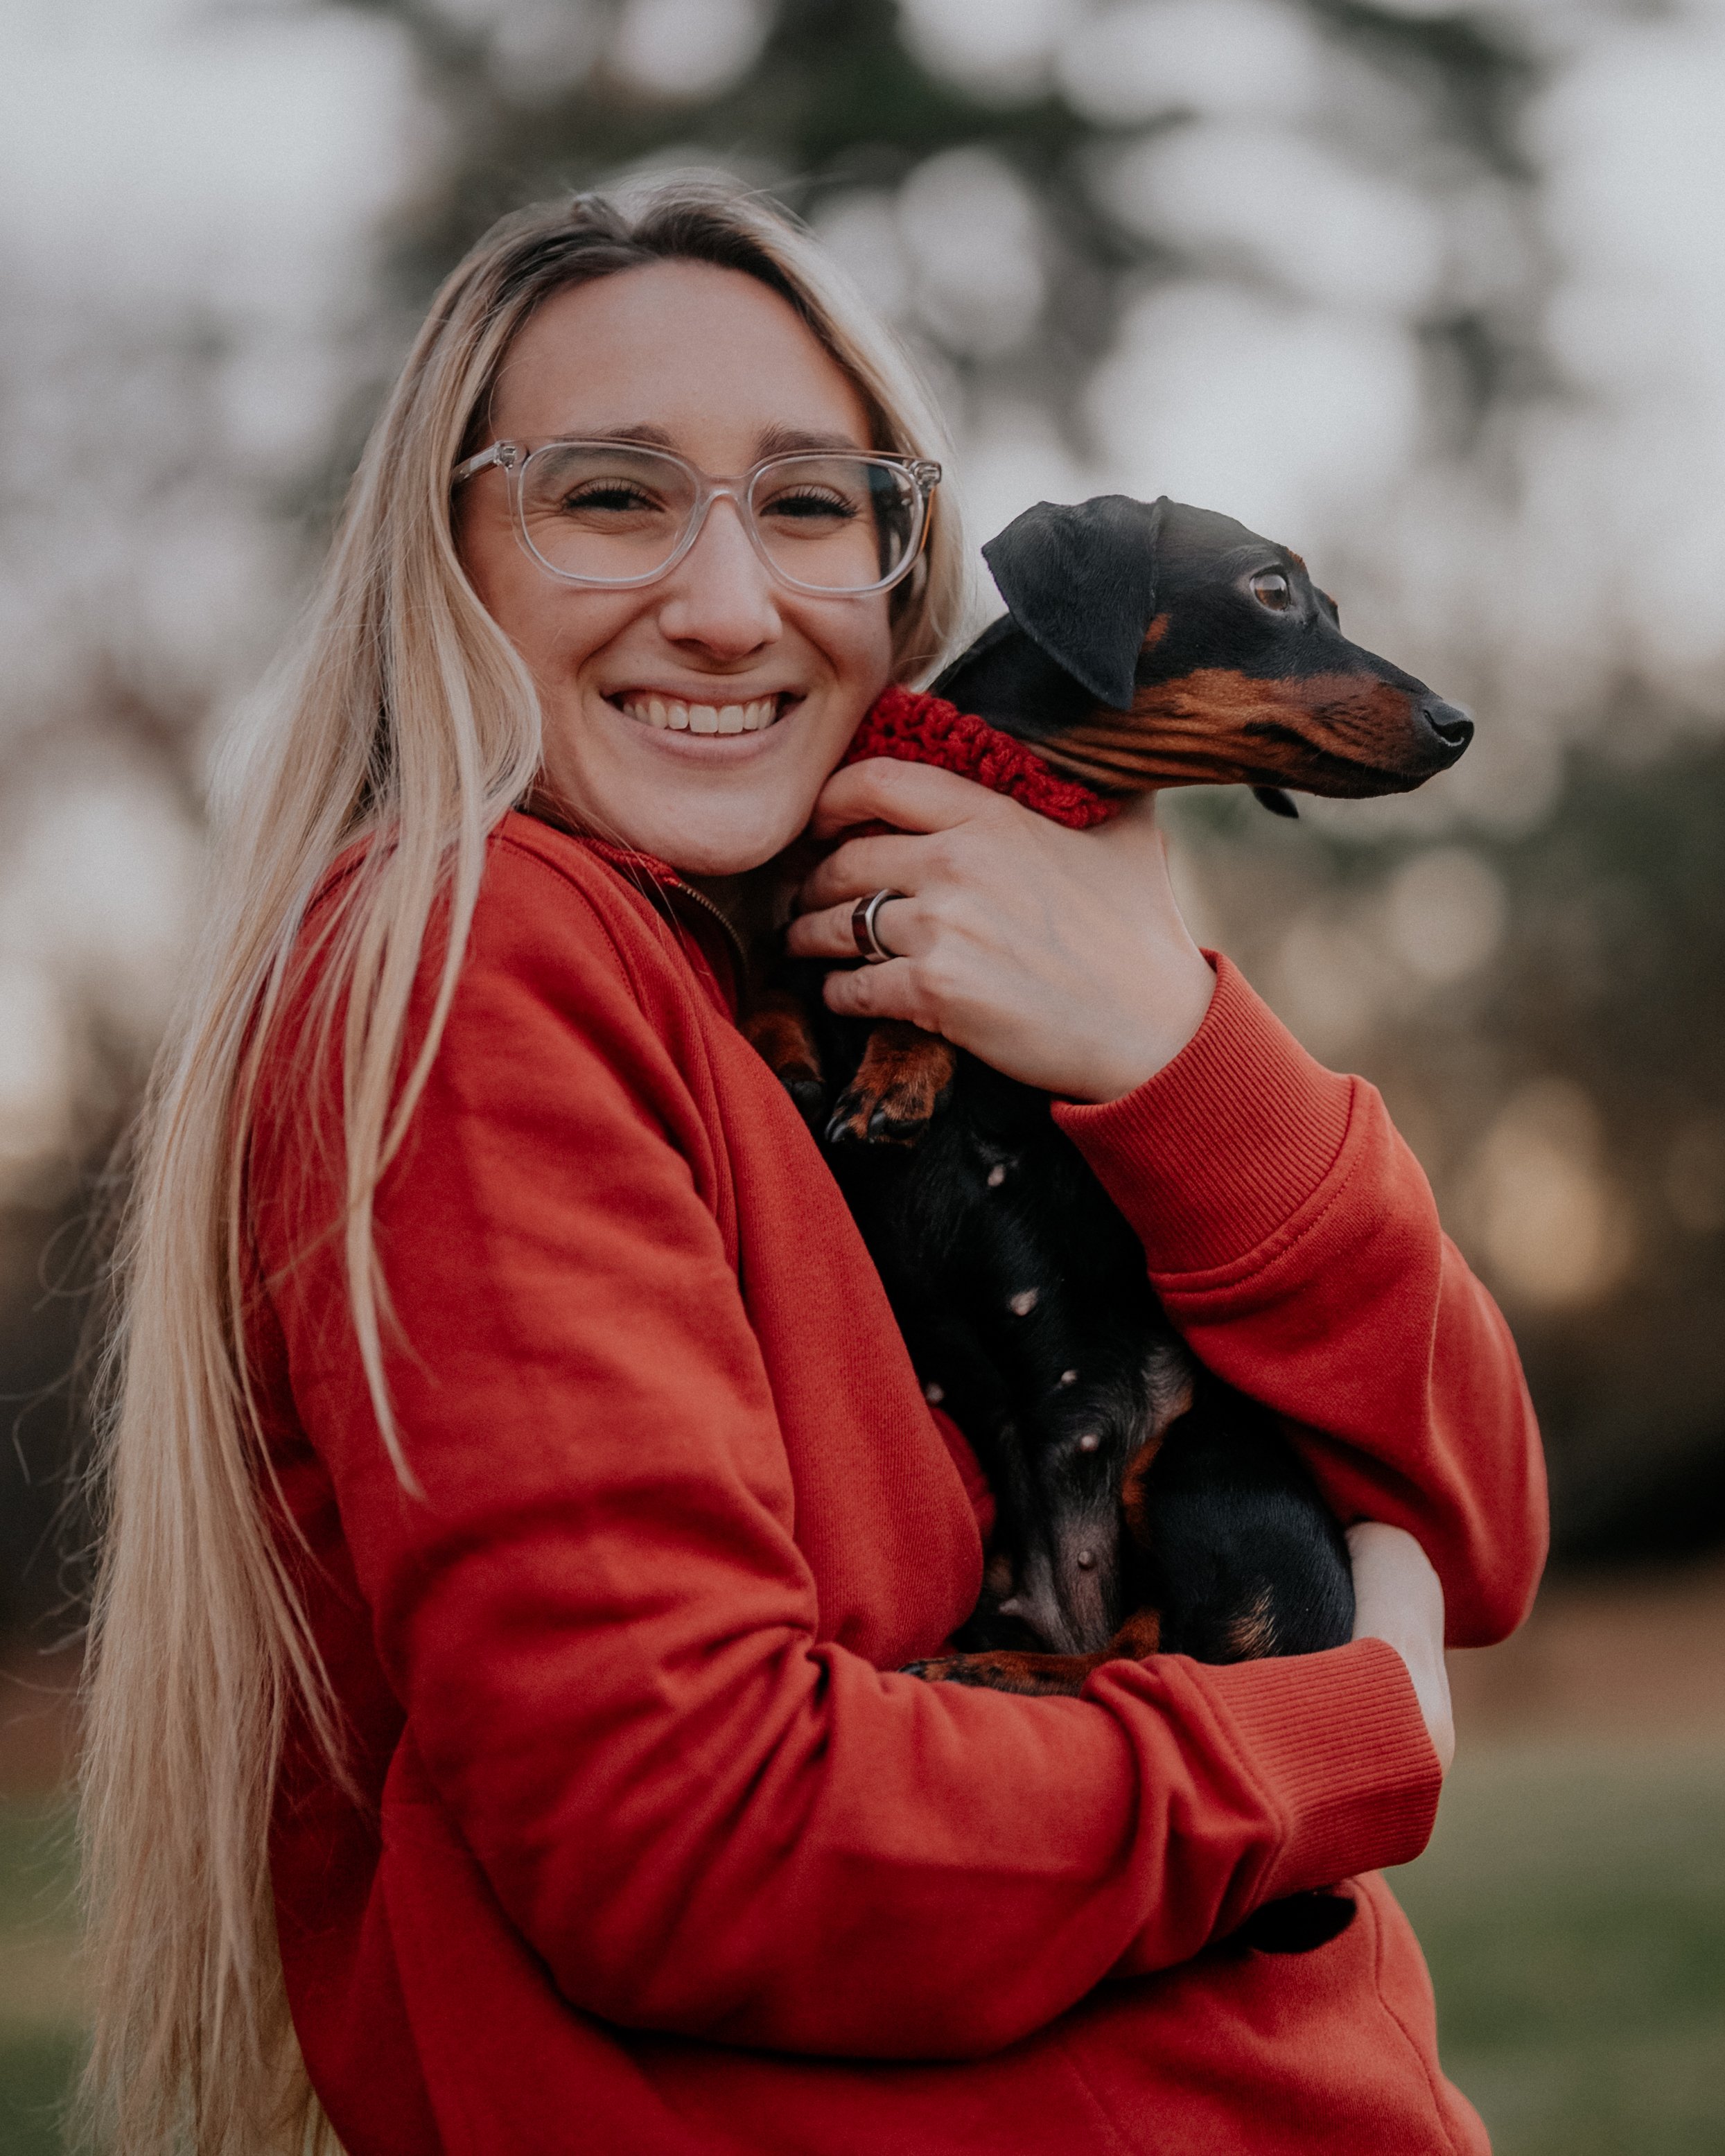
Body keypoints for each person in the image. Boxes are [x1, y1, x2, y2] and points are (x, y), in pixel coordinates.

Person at [80, 178, 1546, 2156]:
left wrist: (1168, 1045)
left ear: (895, 558)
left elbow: (1466, 1519)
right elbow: (694, 1836)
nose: (722, 600)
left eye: (804, 502)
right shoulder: (483, 952)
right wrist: (1325, 1744)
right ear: (444, 570)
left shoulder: (934, 950)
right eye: (606, 495)